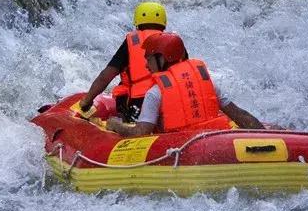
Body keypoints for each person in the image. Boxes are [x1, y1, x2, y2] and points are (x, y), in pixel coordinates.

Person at [106, 32, 265, 137]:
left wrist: (116, 126)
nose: (146, 65)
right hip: (212, 139)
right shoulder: (208, 83)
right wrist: (267, 135)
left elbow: (141, 133)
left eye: (149, 59)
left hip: (180, 147)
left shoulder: (155, 93)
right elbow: (240, 115)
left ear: (162, 58)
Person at [79, 1, 172, 122]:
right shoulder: (173, 42)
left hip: (138, 105)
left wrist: (87, 101)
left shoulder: (131, 43)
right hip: (170, 103)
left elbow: (106, 76)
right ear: (163, 24)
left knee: (122, 95)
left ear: (137, 24)